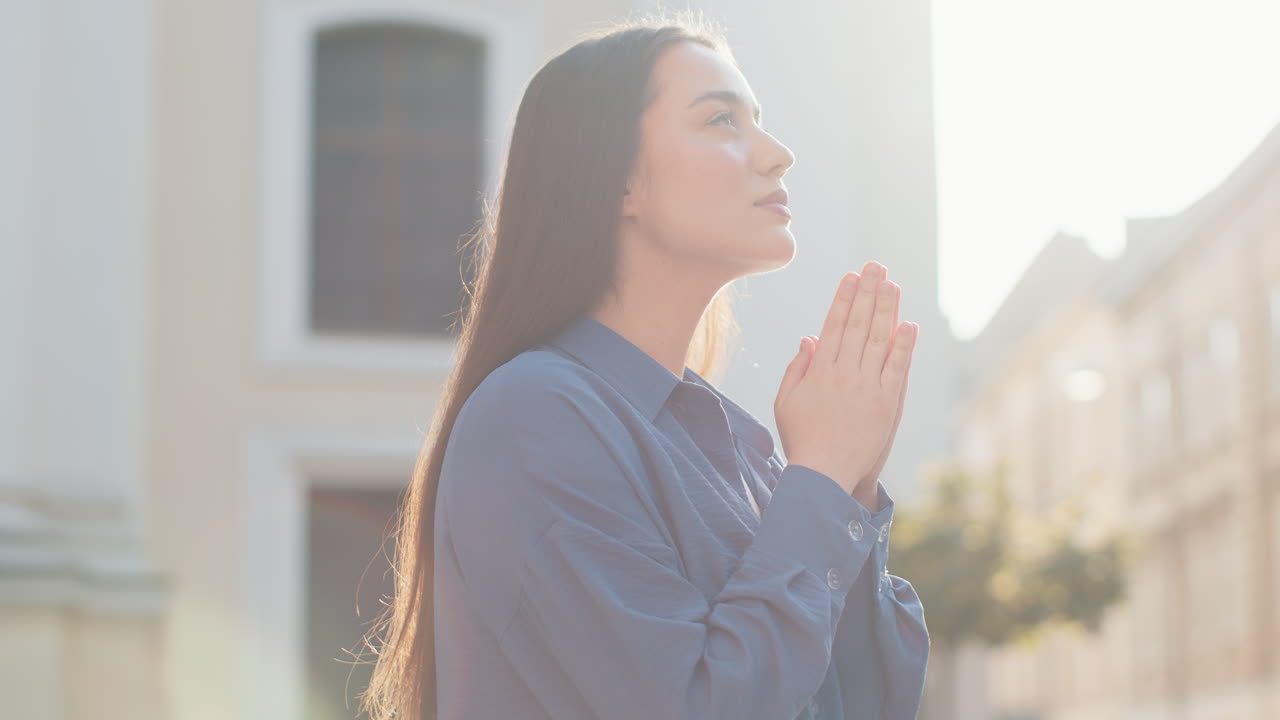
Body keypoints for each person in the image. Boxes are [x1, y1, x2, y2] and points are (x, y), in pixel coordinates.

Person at [362, 10, 929, 720]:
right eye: (723, 119)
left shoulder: (740, 451)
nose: (777, 152)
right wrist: (818, 479)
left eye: (758, 119)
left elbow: (866, 704)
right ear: (616, 179)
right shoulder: (533, 418)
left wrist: (847, 482)